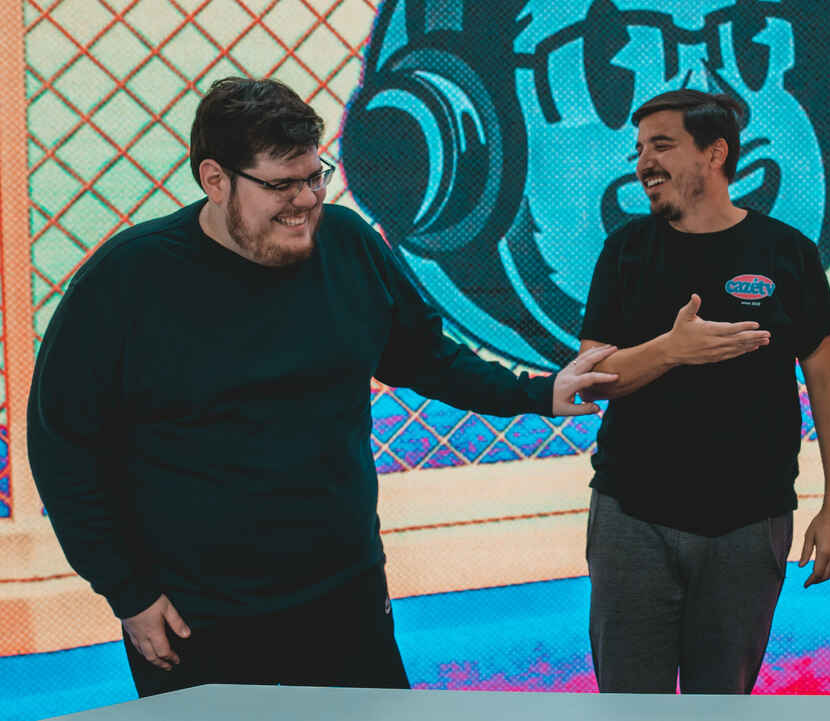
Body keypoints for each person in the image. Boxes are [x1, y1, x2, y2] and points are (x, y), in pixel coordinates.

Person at [27, 76, 618, 697]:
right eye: (281, 184)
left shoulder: (349, 245)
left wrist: (537, 393)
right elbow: (63, 448)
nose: (305, 200)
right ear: (215, 179)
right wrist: (129, 592)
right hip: (197, 616)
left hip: (344, 596)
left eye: (315, 177)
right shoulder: (126, 281)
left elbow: (426, 358)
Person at [577, 89, 830, 694]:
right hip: (633, 517)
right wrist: (671, 350)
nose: (644, 163)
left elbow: (826, 382)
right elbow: (591, 378)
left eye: (662, 146)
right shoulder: (625, 251)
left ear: (715, 153)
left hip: (749, 522)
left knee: (721, 703)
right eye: (639, 150)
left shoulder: (786, 251)